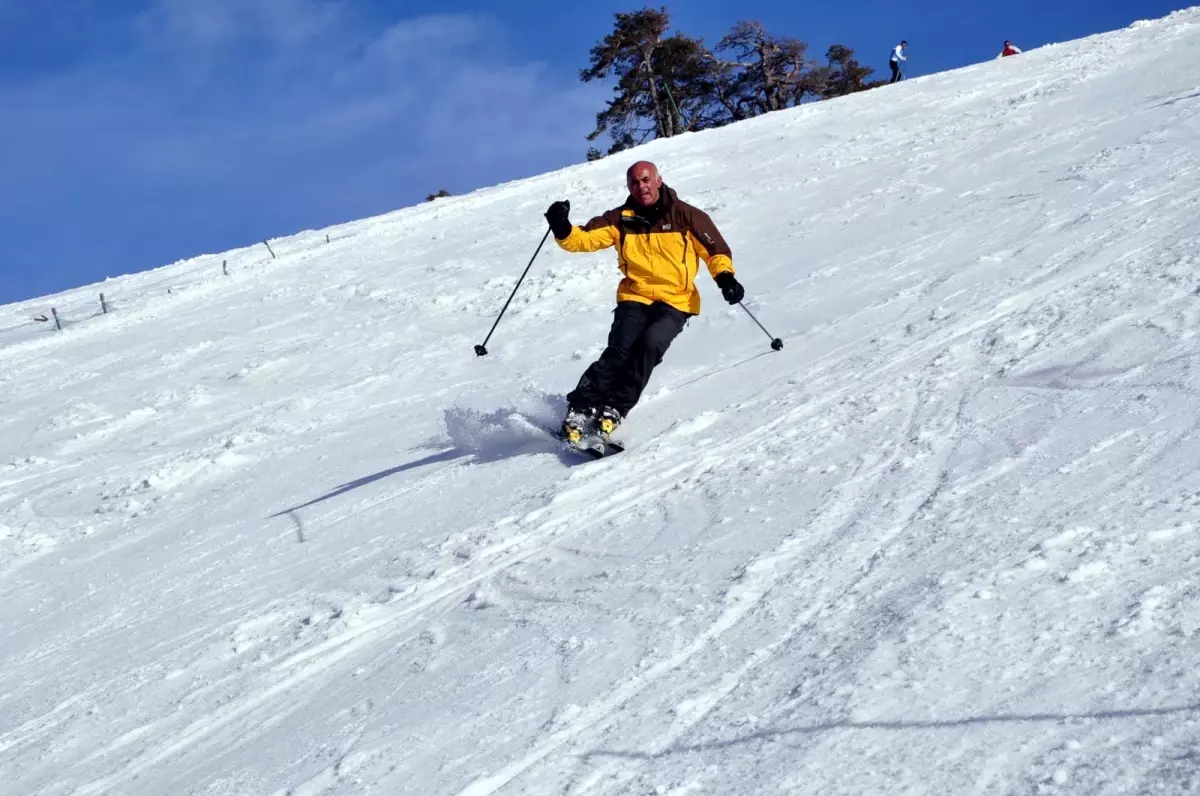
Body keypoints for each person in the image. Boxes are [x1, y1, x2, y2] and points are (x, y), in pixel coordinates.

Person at [543, 161, 745, 443]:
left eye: (646, 180)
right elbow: (584, 239)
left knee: (649, 346)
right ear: (629, 188)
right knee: (620, 349)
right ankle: (580, 407)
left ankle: (614, 407)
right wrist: (562, 226)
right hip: (635, 295)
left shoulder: (686, 215)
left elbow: (715, 250)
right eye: (635, 183)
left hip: (676, 299)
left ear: (658, 181)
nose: (642, 187)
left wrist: (725, 278)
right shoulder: (621, 218)